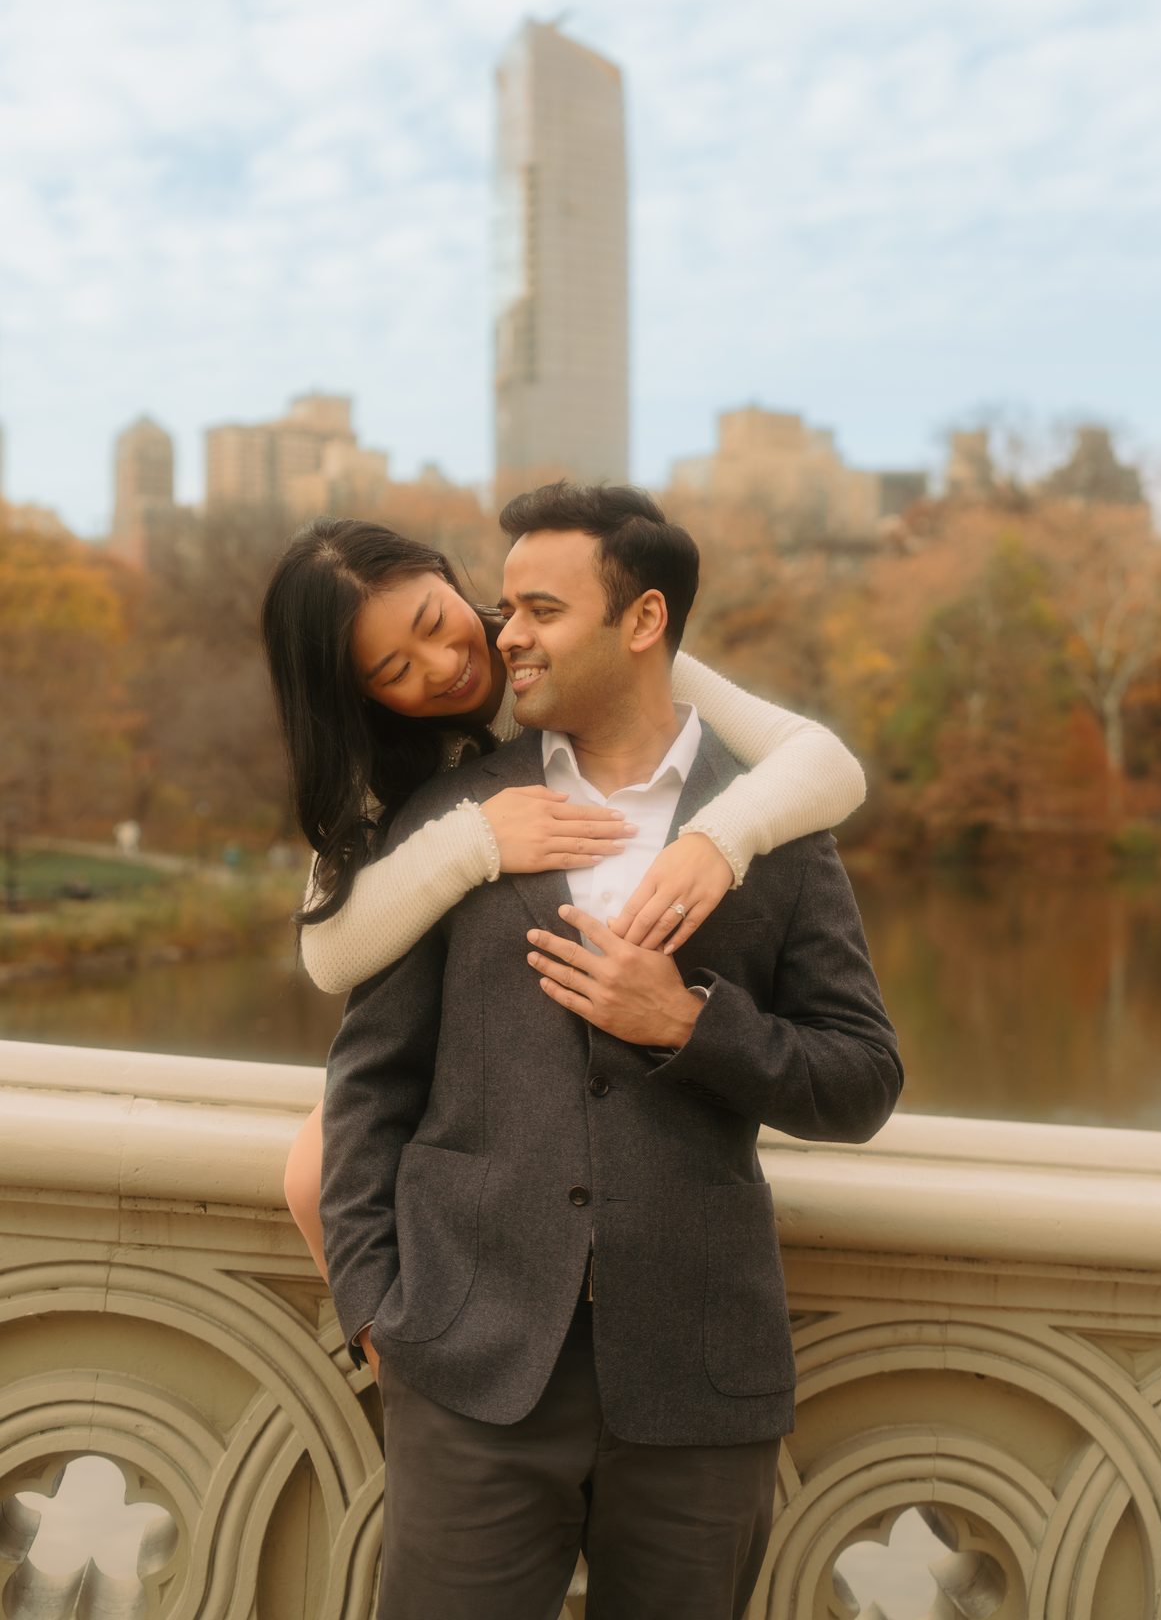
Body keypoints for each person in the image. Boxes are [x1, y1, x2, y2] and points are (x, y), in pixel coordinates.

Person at [318, 484, 901, 1619]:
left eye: (542, 609)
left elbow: (862, 1078)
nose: (505, 636)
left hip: (698, 1383)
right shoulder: (447, 819)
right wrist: (377, 1309)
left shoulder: (770, 825)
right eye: (506, 606)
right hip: (467, 1372)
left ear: (642, 620)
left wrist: (689, 1025)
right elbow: (368, 1090)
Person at [261, 511, 870, 1319]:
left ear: (444, 576)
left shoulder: (573, 649)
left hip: (659, 1224)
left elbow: (827, 765)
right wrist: (475, 841)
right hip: (460, 1061)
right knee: (314, 1174)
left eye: (436, 622)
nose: (443, 666)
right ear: (358, 692)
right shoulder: (385, 767)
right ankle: (391, 1358)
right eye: (393, 669)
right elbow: (329, 955)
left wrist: (716, 840)